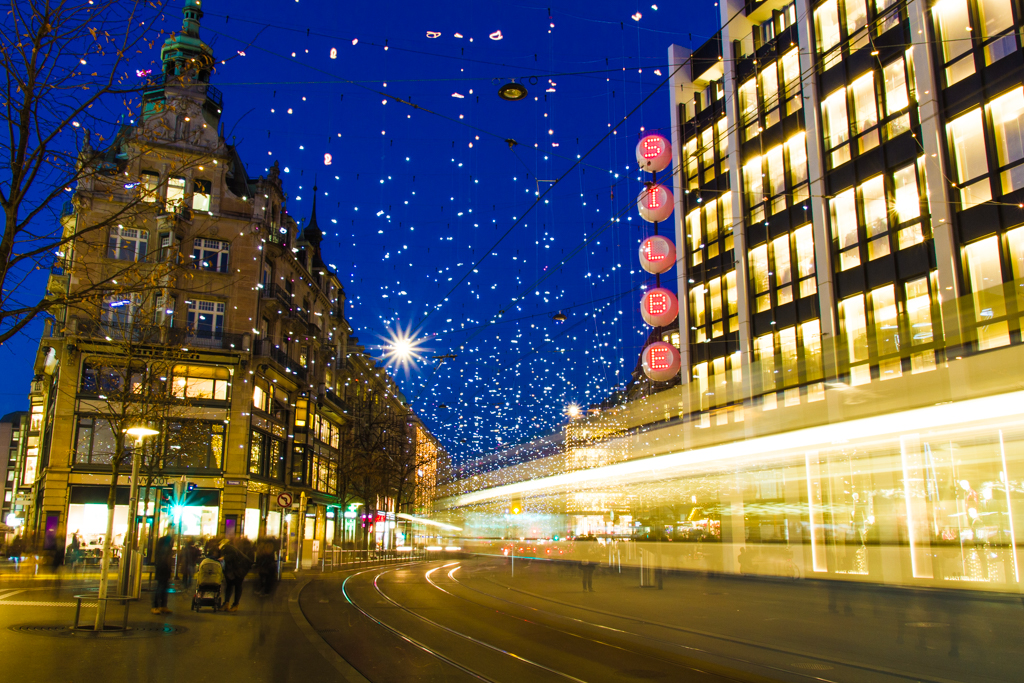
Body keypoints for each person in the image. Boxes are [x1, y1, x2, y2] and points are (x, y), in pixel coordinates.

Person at [219, 538, 253, 612]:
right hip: (239, 569)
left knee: (236, 585)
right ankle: (229, 604)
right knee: (231, 585)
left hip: (239, 569)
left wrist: (224, 558)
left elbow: (233, 555)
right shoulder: (230, 548)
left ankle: (233, 605)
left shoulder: (227, 548)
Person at [152, 534, 174, 615]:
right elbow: (164, 558)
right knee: (160, 587)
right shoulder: (163, 551)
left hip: (165, 569)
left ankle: (162, 606)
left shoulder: (164, 550)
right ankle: (156, 606)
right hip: (162, 568)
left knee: (164, 587)